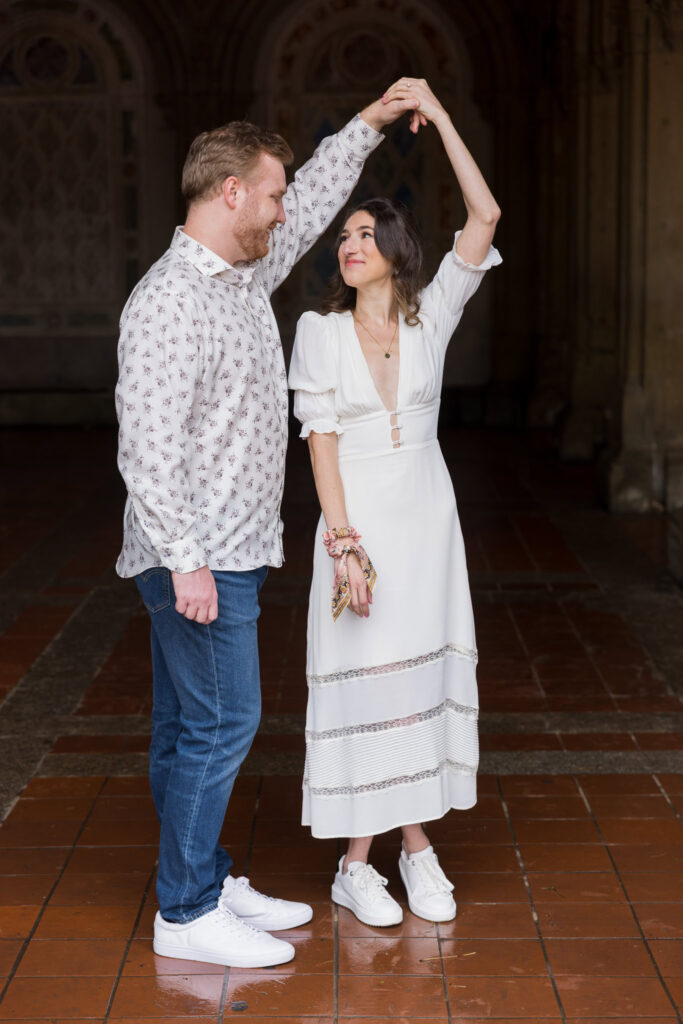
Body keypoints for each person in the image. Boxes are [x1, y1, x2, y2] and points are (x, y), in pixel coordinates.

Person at [115, 86, 421, 968]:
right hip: (198, 557)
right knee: (224, 725)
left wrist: (368, 121)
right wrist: (187, 564)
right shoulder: (168, 300)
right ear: (230, 193)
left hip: (229, 550)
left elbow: (323, 188)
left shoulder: (244, 268)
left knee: (185, 729)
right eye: (274, 193)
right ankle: (186, 909)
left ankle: (205, 876)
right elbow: (147, 449)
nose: (288, 210)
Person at [288, 78, 502, 927]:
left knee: (411, 692)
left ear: (397, 249)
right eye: (343, 233)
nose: (351, 242)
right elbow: (320, 442)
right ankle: (364, 863)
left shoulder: (431, 318)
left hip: (426, 528)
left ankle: (405, 852)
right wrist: (343, 542)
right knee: (364, 686)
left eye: (367, 232)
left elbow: (483, 219)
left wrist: (444, 118)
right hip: (358, 529)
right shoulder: (319, 332)